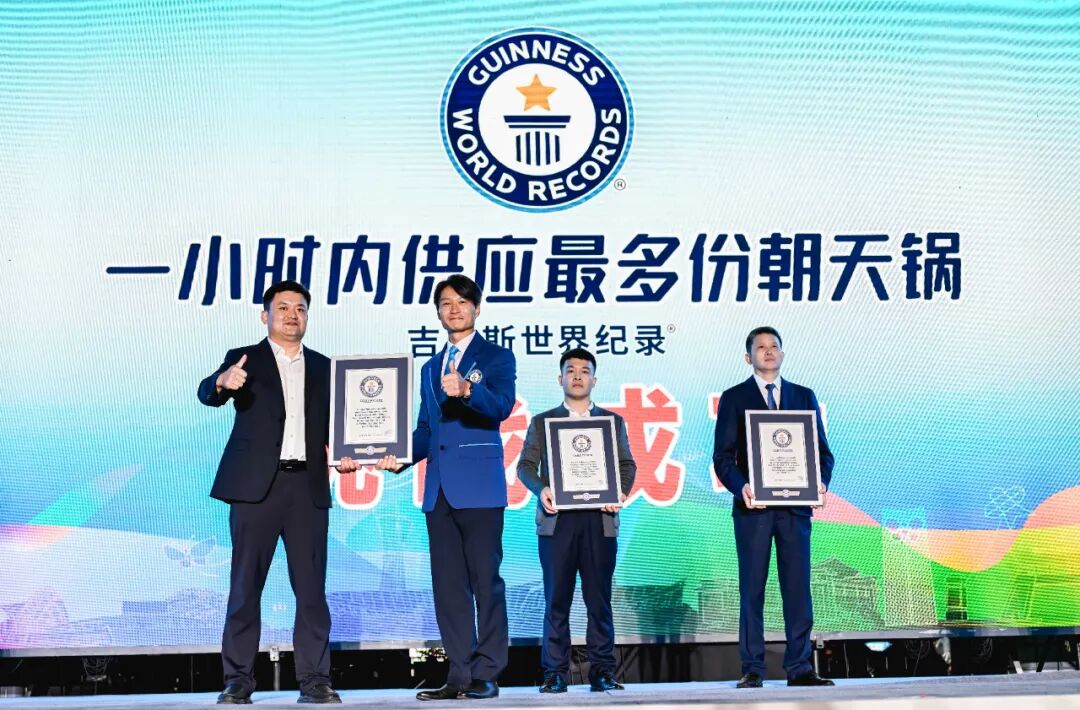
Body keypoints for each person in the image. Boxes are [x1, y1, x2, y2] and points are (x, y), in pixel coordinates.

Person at [197, 280, 342, 705]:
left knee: (311, 591)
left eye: (300, 308)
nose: (292, 315)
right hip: (254, 488)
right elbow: (208, 393)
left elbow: (340, 427)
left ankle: (315, 680)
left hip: (306, 488)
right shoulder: (244, 358)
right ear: (266, 315)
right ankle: (237, 680)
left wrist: (351, 454)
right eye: (283, 308)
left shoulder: (325, 367)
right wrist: (222, 381)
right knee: (245, 587)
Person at [374, 274, 516, 701]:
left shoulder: (497, 356)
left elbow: (501, 407)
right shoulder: (430, 367)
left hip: (479, 488)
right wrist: (399, 455)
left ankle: (487, 672)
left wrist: (469, 389)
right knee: (448, 587)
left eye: (461, 302)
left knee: (486, 582)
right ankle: (459, 673)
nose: (454, 309)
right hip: (438, 492)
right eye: (445, 303)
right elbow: (425, 429)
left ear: (477, 308)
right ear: (437, 312)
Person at [712, 327, 835, 689]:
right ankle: (753, 667)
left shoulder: (803, 395)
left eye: (774, 346)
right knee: (752, 590)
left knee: (797, 589)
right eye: (761, 347)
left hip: (795, 510)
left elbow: (822, 453)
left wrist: (820, 483)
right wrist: (742, 487)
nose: (768, 352)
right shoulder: (735, 398)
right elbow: (723, 457)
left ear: (782, 354)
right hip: (753, 509)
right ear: (748, 357)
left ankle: (799, 667)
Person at [516, 348, 636, 693]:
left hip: (600, 521)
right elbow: (525, 466)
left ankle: (602, 671)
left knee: (599, 601)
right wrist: (542, 489)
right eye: (571, 370)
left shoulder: (612, 423)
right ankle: (555, 672)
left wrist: (620, 492)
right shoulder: (543, 422)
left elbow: (627, 465)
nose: (578, 375)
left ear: (594, 380)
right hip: (558, 522)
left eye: (585, 370)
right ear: (561, 379)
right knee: (557, 600)